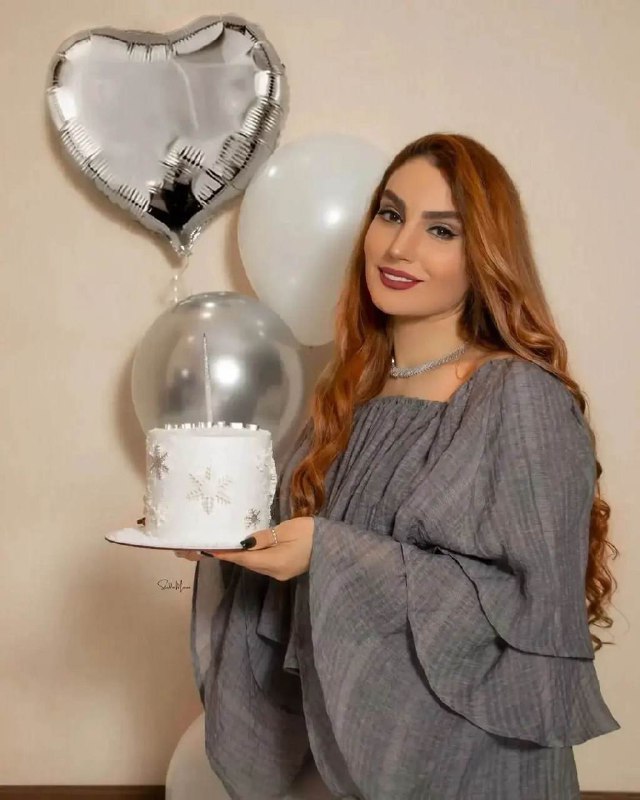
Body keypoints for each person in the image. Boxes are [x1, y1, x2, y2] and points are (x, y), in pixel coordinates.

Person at [178, 133, 620, 800]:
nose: (398, 247)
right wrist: (219, 534)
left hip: (473, 765)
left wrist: (330, 553)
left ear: (485, 254)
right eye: (390, 214)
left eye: (441, 230)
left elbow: (531, 606)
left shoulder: (516, 397)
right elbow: (289, 556)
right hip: (341, 755)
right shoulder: (347, 394)